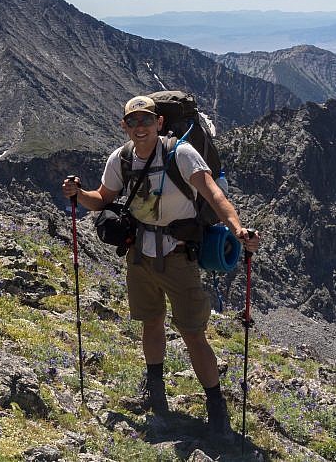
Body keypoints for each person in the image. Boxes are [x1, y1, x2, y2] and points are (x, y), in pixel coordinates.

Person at [62, 94, 260, 439]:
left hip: (178, 257)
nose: (140, 127)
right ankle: (156, 391)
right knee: (150, 322)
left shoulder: (180, 154)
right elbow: (102, 199)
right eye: (133, 121)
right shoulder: (121, 159)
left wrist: (237, 229)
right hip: (139, 255)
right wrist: (78, 194)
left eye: (146, 120)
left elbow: (214, 194)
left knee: (193, 334)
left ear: (160, 123)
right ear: (124, 126)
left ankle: (217, 409)